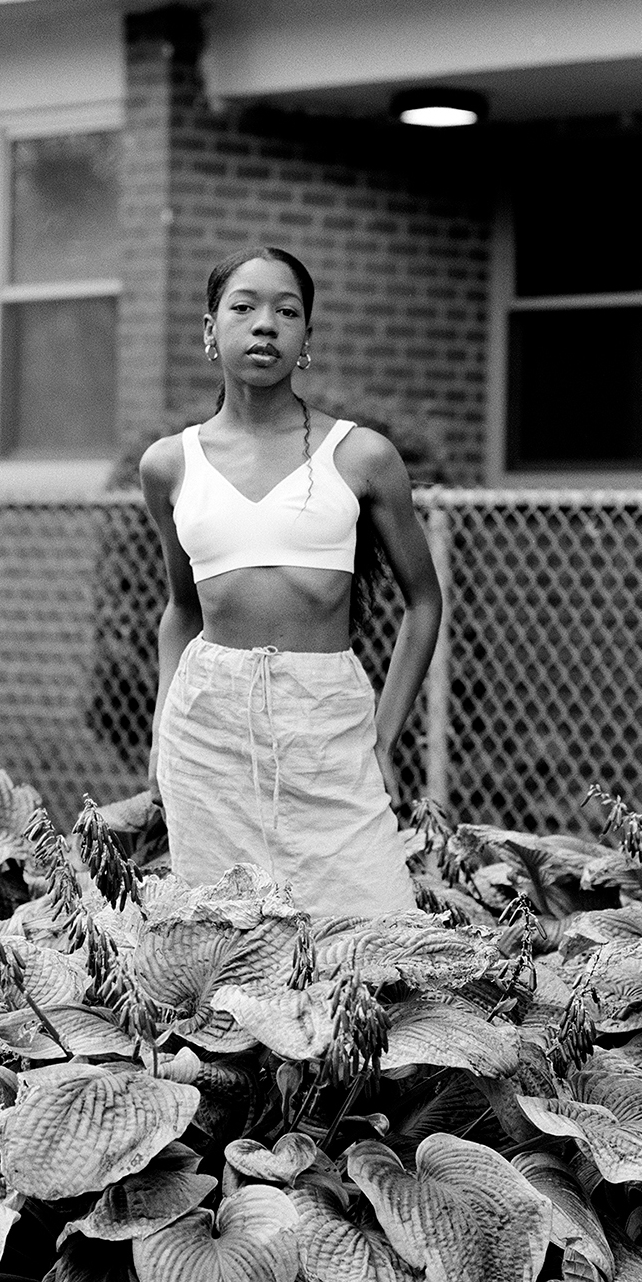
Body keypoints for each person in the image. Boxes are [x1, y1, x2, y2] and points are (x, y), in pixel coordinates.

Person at [136, 245, 442, 917]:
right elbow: (182, 610)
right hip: (207, 726)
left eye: (287, 310)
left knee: (375, 922)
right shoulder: (169, 465)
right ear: (210, 331)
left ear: (306, 338)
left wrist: (383, 740)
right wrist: (162, 735)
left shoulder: (361, 455)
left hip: (325, 716)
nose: (265, 323)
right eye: (243, 307)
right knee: (226, 937)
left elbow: (425, 601)